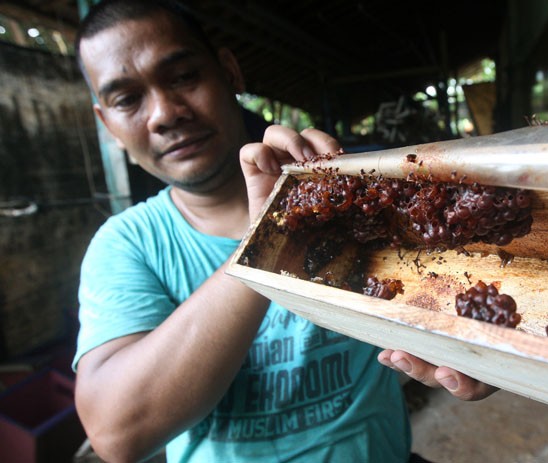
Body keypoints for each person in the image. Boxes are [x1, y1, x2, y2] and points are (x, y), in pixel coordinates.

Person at [71, 1, 496, 462]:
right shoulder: (127, 245)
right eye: (127, 99)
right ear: (106, 123)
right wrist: (269, 240)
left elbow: (462, 294)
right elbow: (116, 435)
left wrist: (485, 356)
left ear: (229, 73)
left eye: (183, 77)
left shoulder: (350, 198)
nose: (164, 113)